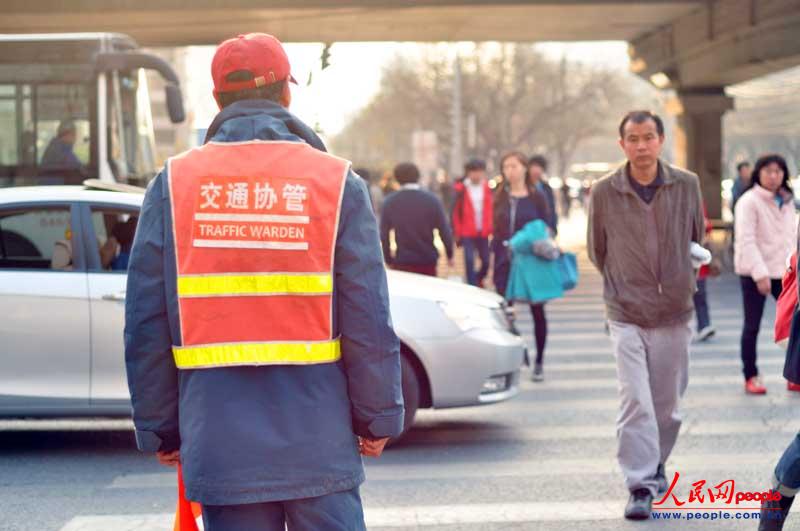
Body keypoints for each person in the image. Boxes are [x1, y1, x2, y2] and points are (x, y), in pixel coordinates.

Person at [124, 33, 404, 531]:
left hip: (220, 442)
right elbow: (368, 315)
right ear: (286, 94)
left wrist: (161, 429)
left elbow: (146, 321)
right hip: (320, 444)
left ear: (217, 100)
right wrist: (378, 417)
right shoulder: (336, 184)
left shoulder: (173, 185)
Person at [587, 110, 705, 520]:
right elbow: (596, 250)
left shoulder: (686, 185)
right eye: (633, 138)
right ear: (622, 144)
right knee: (635, 400)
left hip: (674, 310)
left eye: (648, 137)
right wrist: (624, 284)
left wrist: (674, 280)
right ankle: (639, 483)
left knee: (667, 407)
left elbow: (696, 237)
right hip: (626, 312)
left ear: (661, 140)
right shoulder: (604, 192)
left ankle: (655, 463)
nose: (641, 145)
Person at [734, 154, 797, 395]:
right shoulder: (748, 202)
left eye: (778, 171)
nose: (774, 176)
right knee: (752, 326)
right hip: (754, 273)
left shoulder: (788, 200)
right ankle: (750, 375)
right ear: (758, 173)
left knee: (794, 326)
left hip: (786, 273)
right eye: (769, 171)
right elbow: (747, 240)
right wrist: (760, 274)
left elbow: (792, 238)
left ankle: (794, 375)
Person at [493, 151, 553, 382]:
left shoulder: (537, 196)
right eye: (506, 167)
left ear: (525, 168)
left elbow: (546, 227)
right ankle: (512, 358)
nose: (510, 171)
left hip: (531, 261)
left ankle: (539, 362)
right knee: (504, 312)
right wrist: (491, 263)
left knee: (538, 311)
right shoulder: (499, 196)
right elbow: (495, 231)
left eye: (514, 166)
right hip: (504, 260)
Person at [380, 162, 454, 276]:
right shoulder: (432, 200)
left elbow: (384, 235)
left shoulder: (390, 202)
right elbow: (444, 230)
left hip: (402, 260)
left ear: (397, 179)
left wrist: (388, 259)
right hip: (427, 260)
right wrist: (450, 254)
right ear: (418, 177)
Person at [452, 159, 493, 287]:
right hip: (467, 231)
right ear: (468, 173)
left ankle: (478, 278)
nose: (476, 175)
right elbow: (455, 212)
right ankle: (472, 284)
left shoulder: (488, 188)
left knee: (486, 261)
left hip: (484, 230)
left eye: (479, 171)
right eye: (473, 172)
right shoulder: (461, 189)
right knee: (469, 260)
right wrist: (457, 232)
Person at [694, 205, 716, 342]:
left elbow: (707, 226)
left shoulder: (697, 198)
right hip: (675, 259)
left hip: (697, 256)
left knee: (700, 293)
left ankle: (704, 325)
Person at [528, 155, 558, 234]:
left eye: (539, 167)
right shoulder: (524, 188)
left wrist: (553, 228)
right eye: (533, 166)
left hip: (546, 229)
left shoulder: (546, 188)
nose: (536, 170)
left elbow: (552, 209)